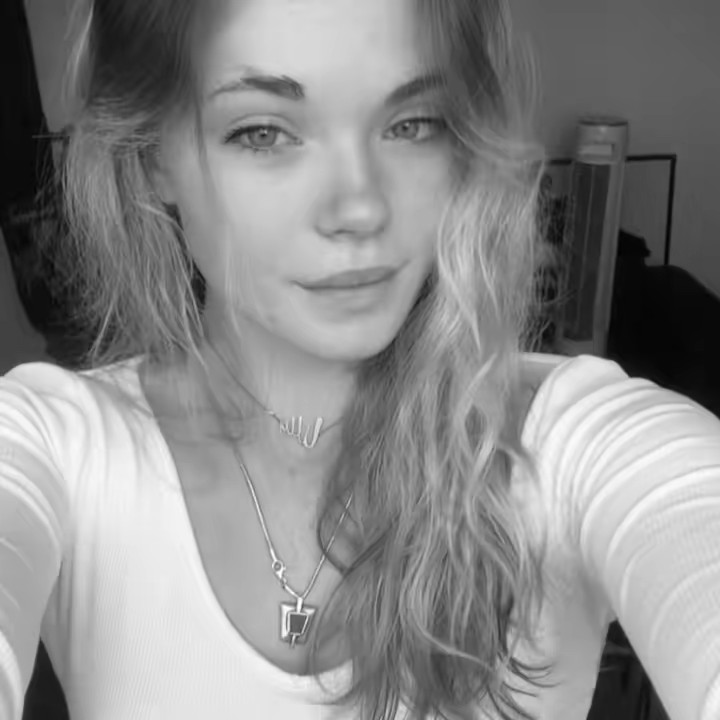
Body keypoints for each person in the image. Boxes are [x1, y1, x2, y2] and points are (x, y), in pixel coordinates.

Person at [0, 0, 718, 718]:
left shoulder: (571, 447)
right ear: (154, 155)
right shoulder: (56, 449)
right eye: (262, 132)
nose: (360, 208)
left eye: (413, 124)